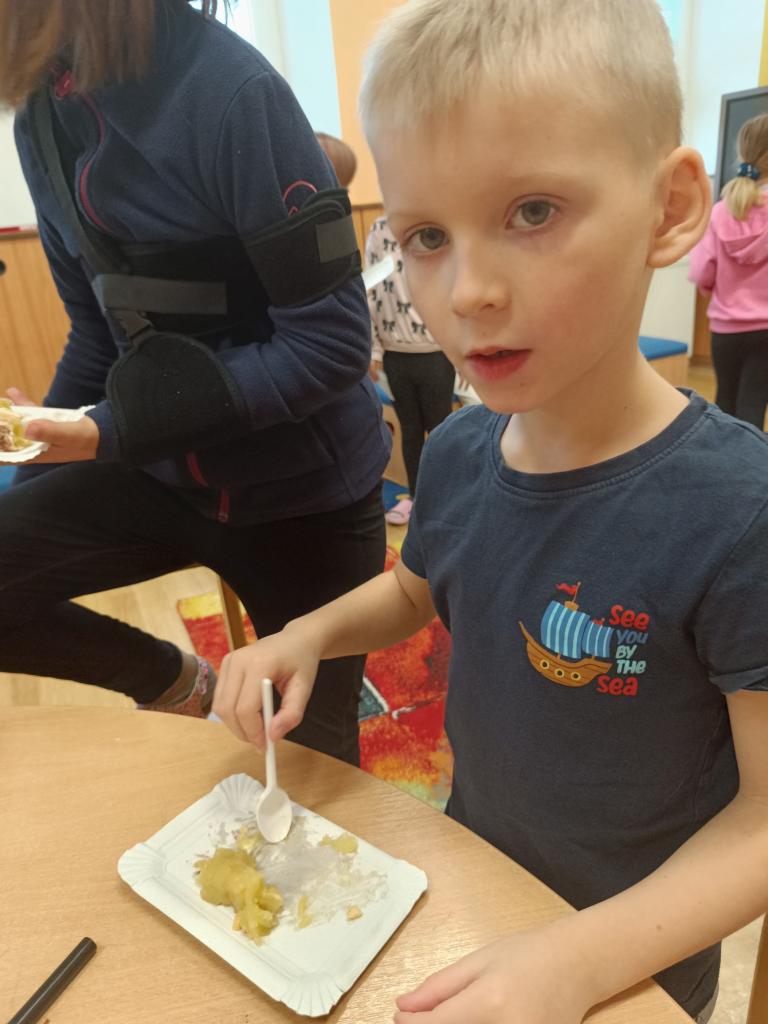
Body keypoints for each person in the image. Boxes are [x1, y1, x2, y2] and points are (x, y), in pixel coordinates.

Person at [213, 1, 768, 1022]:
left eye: (532, 211)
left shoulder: (741, 510)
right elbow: (416, 589)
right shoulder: (463, 451)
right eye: (426, 236)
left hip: (625, 966)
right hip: (473, 886)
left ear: (670, 208)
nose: (466, 292)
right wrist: (308, 634)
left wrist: (577, 964)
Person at [0, 0, 391, 766]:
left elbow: (332, 344)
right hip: (159, 480)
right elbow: (97, 336)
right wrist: (42, 445)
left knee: (310, 769)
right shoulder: (41, 120)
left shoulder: (234, 92)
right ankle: (172, 680)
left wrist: (109, 430)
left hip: (306, 501)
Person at [366, 215, 457, 525]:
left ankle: (449, 498)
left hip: (434, 351)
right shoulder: (379, 230)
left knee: (441, 430)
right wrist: (374, 349)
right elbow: (370, 291)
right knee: (411, 431)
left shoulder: (434, 222)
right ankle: (417, 498)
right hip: (395, 353)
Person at [689, 113, 768, 429]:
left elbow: (702, 271)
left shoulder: (720, 212)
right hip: (766, 329)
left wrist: (719, 290)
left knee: (725, 401)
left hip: (725, 329)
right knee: (753, 404)